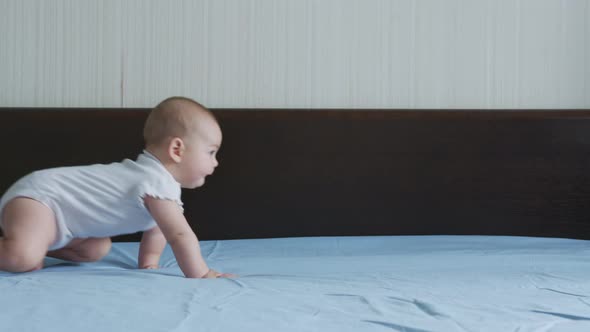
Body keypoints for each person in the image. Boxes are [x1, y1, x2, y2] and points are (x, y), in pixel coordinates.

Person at [0, 96, 233, 278]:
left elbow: (157, 230)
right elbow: (179, 235)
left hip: (58, 222)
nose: (216, 162)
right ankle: (24, 250)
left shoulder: (162, 188)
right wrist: (201, 273)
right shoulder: (155, 181)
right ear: (177, 150)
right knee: (22, 259)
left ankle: (35, 245)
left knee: (96, 250)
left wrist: (148, 263)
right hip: (41, 200)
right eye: (211, 152)